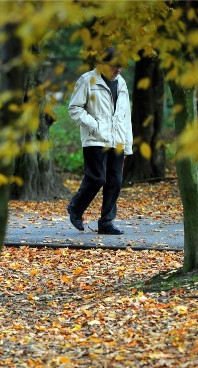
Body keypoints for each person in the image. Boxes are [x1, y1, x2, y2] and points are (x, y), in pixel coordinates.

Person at [66, 47, 133, 235]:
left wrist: (127, 145)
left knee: (115, 181)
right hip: (95, 139)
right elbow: (74, 108)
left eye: (120, 66)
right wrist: (94, 125)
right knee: (97, 178)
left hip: (118, 139)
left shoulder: (122, 83)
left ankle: (106, 222)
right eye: (115, 66)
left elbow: (125, 116)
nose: (118, 70)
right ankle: (76, 209)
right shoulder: (87, 80)